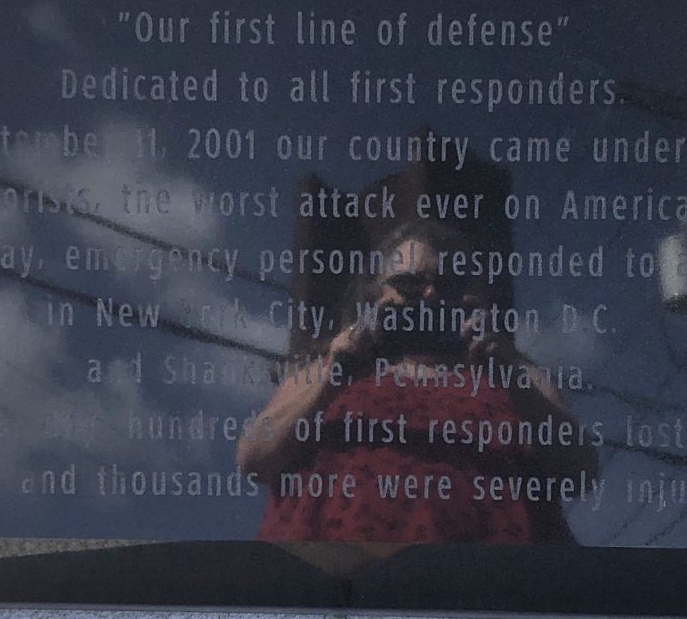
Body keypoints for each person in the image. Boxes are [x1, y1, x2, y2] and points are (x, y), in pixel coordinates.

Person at [237, 221, 598, 545]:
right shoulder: (327, 368)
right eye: (409, 284)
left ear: (471, 297)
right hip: (336, 589)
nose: (429, 296)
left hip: (490, 590)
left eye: (450, 285)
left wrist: (506, 372)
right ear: (374, 294)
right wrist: (338, 369)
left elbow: (578, 473)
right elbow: (256, 460)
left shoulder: (514, 374)